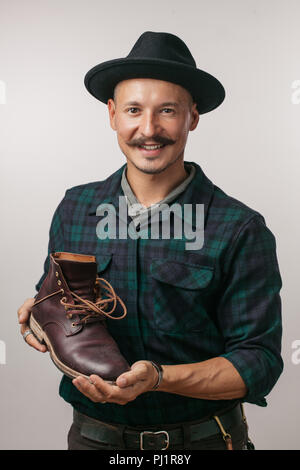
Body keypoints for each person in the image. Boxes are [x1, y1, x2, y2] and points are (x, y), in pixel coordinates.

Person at [17, 31, 283, 450]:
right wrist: (40, 311)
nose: (149, 129)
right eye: (134, 110)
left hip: (203, 440)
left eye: (168, 111)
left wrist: (157, 378)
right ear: (112, 114)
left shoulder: (239, 227)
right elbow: (59, 297)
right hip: (93, 439)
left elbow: (259, 362)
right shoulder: (75, 207)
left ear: (192, 117)